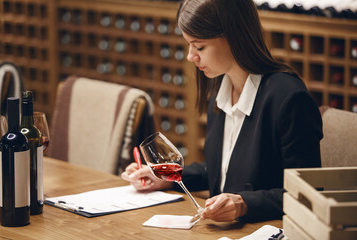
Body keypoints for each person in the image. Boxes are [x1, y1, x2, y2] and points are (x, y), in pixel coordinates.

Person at [121, 0, 323, 222]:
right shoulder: (221, 87)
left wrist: (244, 204)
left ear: (234, 37)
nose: (190, 56)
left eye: (199, 47)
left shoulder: (290, 99)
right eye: (188, 45)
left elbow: (307, 196)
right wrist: (167, 178)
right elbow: (221, 171)